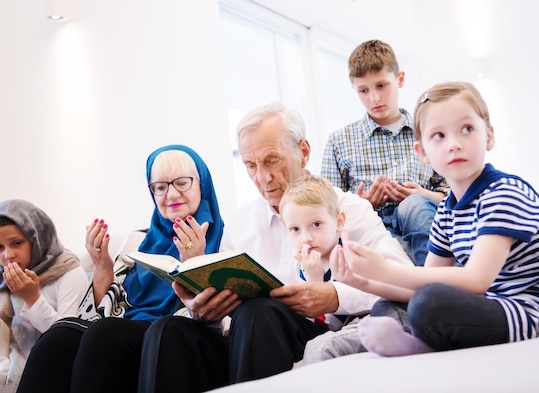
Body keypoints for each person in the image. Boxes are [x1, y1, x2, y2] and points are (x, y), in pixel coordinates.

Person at [139, 102, 413, 392]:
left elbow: (404, 282)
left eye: (271, 161)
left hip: (308, 337)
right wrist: (206, 311)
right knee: (167, 329)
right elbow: (222, 316)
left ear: (304, 152)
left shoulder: (348, 209)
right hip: (243, 341)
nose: (262, 178)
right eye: (250, 166)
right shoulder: (241, 222)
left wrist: (334, 296)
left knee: (259, 312)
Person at [331, 81, 539, 357]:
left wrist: (384, 269)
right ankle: (419, 339)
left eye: (467, 129)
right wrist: (361, 282)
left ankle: (422, 343)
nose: (454, 144)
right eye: (439, 135)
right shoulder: (447, 210)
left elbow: (477, 280)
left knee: (429, 304)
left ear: (488, 136)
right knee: (387, 306)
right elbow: (428, 279)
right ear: (423, 153)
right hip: (493, 304)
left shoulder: (505, 193)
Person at [16, 144, 225, 393]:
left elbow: (219, 319)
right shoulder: (137, 241)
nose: (171, 195)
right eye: (160, 187)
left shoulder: (224, 239)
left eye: (182, 182)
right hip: (126, 326)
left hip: (180, 335)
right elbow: (103, 310)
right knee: (58, 336)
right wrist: (102, 265)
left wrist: (194, 263)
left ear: (201, 182)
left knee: (107, 333)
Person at [321, 39, 448, 266]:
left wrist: (420, 194)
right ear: (354, 89)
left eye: (381, 86)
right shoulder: (339, 142)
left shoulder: (428, 132)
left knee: (415, 205)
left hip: (423, 221)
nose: (374, 98)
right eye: (363, 90)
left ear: (399, 79)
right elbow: (326, 211)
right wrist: (360, 204)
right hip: (369, 227)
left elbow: (454, 196)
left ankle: (439, 284)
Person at [0, 200, 89, 393]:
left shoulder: (68, 271)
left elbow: (67, 339)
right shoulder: (4, 279)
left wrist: (32, 298)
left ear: (37, 238)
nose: (8, 255)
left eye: (16, 243)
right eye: (0, 247)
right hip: (12, 374)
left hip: (55, 374)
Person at [279, 175, 347, 330]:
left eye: (316, 224)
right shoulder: (297, 263)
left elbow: (334, 323)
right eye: (295, 229)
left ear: (339, 222)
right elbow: (310, 319)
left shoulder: (349, 257)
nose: (306, 238)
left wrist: (315, 279)